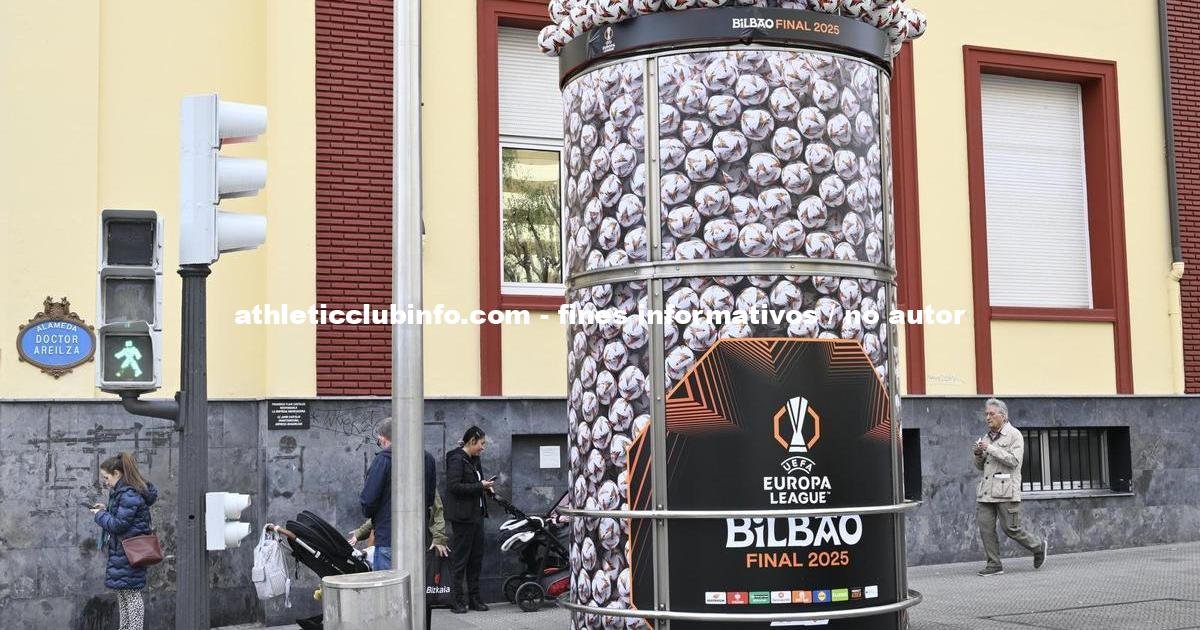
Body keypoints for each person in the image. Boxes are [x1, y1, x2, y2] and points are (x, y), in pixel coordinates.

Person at [973, 398, 1048, 576]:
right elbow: (979, 466)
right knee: (985, 528)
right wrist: (978, 454)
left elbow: (1014, 461)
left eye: (991, 414)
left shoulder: (1014, 435)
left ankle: (1037, 546)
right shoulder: (986, 437)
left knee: (1011, 529)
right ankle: (994, 565)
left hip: (1006, 491)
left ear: (1003, 416)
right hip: (986, 491)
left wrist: (990, 449)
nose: (987, 418)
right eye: (986, 414)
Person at [90, 452, 159, 630]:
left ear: (117, 474)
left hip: (129, 553)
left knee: (132, 597)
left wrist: (100, 515)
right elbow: (124, 517)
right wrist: (106, 509)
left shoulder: (129, 494)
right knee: (124, 595)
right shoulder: (125, 492)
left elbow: (119, 524)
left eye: (106, 477)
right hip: (124, 552)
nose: (105, 481)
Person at [445, 426, 495, 614]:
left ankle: (474, 598)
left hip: (477, 515)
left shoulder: (474, 460)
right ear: (472, 441)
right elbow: (454, 486)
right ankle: (457, 600)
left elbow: (476, 485)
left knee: (476, 559)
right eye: (482, 443)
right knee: (461, 560)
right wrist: (479, 486)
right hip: (463, 517)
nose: (483, 448)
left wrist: (487, 488)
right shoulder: (457, 459)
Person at [360, 418, 393, 570]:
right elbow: (430, 498)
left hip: (387, 537)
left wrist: (371, 516)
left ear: (383, 438)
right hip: (418, 540)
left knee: (386, 588)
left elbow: (369, 499)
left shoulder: (383, 461)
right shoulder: (426, 459)